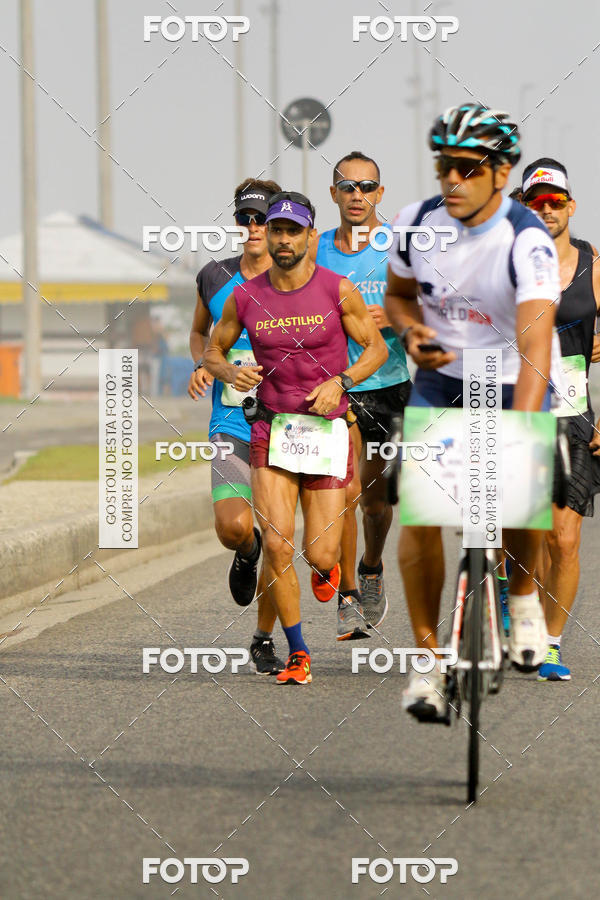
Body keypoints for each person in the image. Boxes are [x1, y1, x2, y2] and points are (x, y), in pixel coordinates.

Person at [384, 103, 562, 720]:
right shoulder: (414, 224)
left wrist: (524, 432)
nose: (452, 181)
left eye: (467, 168)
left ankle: (524, 603)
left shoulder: (527, 239)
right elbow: (399, 298)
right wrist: (409, 335)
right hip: (443, 378)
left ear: (502, 171)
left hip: (516, 374)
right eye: (443, 168)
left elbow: (538, 345)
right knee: (421, 513)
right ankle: (429, 662)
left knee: (525, 481)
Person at [205, 191, 388, 684]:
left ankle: (325, 571)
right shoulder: (245, 296)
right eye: (277, 230)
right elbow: (213, 350)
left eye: (293, 231)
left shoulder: (337, 289)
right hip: (270, 429)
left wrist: (342, 382)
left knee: (320, 554)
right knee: (280, 545)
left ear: (311, 236)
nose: (283, 240)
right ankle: (297, 652)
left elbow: (375, 349)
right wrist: (229, 371)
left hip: (325, 432)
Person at [188, 178, 285, 675]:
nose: (253, 228)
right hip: (231, 421)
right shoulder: (214, 275)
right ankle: (247, 554)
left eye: (262, 220)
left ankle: (264, 638)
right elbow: (201, 336)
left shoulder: (301, 278)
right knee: (235, 527)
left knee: (277, 530)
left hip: (287, 425)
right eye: (245, 219)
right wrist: (207, 365)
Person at [315, 151, 411, 640]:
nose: (357, 196)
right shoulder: (316, 248)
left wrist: (396, 318)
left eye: (366, 187)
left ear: (380, 193)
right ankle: (349, 595)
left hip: (390, 385)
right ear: (332, 193)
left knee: (375, 501)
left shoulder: (399, 245)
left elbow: (437, 304)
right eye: (347, 187)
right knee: (346, 494)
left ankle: (371, 568)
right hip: (335, 388)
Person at [520, 158, 600, 680]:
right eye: (536, 202)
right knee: (528, 537)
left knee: (563, 539)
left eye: (555, 202)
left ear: (570, 206)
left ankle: (550, 644)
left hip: (572, 413)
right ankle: (520, 603)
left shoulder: (593, 263)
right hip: (516, 412)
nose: (546, 210)